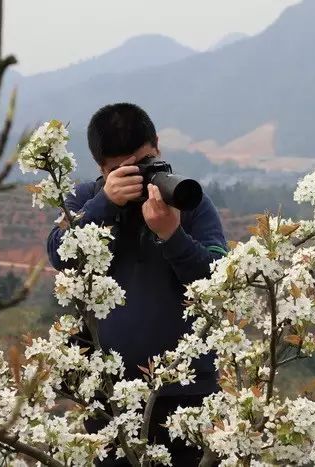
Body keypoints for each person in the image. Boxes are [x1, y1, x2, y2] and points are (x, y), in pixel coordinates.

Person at [47, 103, 227, 465]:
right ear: (101, 168)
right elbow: (59, 253)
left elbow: (218, 280)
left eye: (143, 163)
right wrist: (105, 205)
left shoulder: (188, 200)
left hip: (189, 394)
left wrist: (172, 234)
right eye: (121, 171)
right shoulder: (84, 200)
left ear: (157, 147)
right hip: (110, 396)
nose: (138, 177)